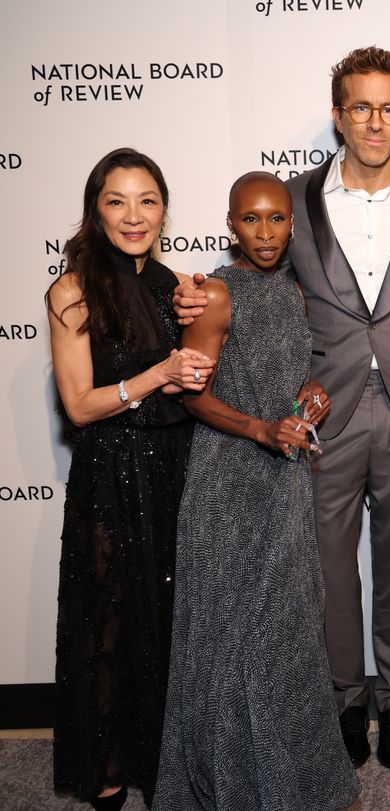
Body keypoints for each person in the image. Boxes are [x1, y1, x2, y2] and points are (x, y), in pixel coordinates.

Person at [173, 46, 390, 770]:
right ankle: (344, 700)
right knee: (329, 566)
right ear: (338, 114)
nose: (374, 120)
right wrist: (189, 298)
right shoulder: (290, 201)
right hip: (319, 411)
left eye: (389, 107)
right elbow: (256, 281)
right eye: (360, 106)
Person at [153, 172, 360, 809]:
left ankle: (292, 784)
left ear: (290, 224)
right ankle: (234, 788)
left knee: (286, 634)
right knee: (230, 640)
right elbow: (194, 398)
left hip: (287, 479)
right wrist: (262, 430)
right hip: (229, 481)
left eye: (276, 220)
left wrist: (311, 400)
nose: (265, 233)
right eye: (251, 220)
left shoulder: (296, 293)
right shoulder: (216, 294)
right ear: (230, 223)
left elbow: (293, 380)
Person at [46, 147, 214, 810]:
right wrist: (158, 374)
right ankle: (110, 770)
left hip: (174, 468)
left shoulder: (171, 284)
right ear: (96, 209)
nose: (133, 215)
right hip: (110, 474)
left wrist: (198, 328)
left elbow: (196, 379)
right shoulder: (72, 291)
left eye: (147, 200)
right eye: (117, 201)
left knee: (168, 622)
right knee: (109, 623)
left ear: (164, 209)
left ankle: (160, 764)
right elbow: (80, 404)